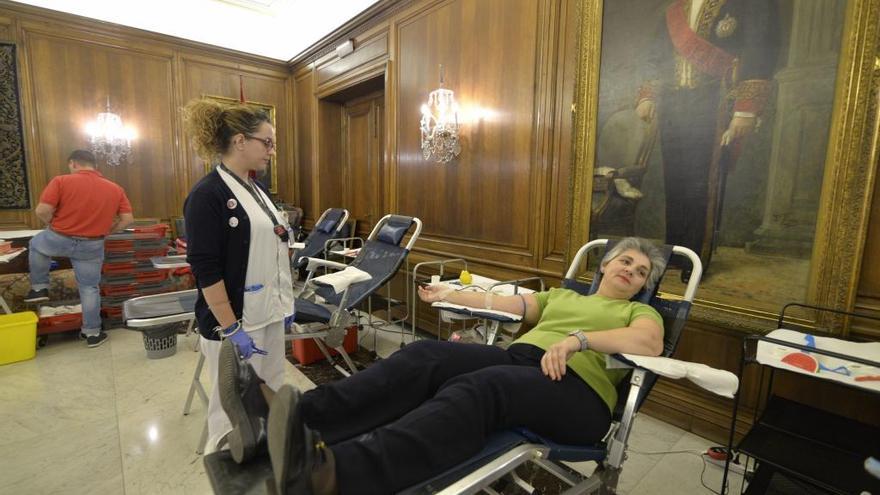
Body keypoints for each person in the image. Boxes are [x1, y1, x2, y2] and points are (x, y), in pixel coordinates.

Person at [220, 237, 667, 494]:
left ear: (644, 286)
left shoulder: (640, 314)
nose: (631, 270)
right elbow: (504, 301)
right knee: (423, 355)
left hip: (578, 396)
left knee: (483, 388)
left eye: (642, 271)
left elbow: (648, 342)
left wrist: (578, 341)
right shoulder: (564, 297)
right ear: (605, 265)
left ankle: (338, 473)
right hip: (521, 362)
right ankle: (288, 420)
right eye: (625, 261)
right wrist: (450, 295)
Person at [181, 97, 294, 457]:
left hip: (270, 311)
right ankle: (228, 464)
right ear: (240, 140)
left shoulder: (257, 190)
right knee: (230, 406)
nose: (272, 151)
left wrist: (284, 303)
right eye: (268, 142)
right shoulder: (208, 195)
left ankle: (266, 454)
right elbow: (205, 267)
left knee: (270, 387)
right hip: (236, 321)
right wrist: (231, 327)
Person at [635, 0, 779, 279]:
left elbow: (759, 50)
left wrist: (745, 107)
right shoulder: (676, 10)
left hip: (714, 102)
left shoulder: (747, 5)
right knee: (675, 181)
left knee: (702, 183)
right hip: (674, 104)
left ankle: (696, 259)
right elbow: (655, 55)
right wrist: (648, 94)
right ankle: (675, 252)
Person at [24, 149, 134, 347]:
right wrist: (108, 231)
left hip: (59, 236)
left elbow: (42, 210)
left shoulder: (61, 181)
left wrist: (54, 225)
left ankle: (39, 287)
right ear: (95, 166)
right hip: (92, 244)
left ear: (73, 163)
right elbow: (127, 219)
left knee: (36, 245)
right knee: (89, 288)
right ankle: (92, 333)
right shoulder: (115, 188)